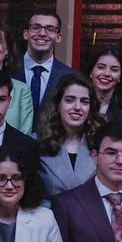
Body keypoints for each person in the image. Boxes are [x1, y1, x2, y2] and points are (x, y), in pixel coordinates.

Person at [35, 73, 100, 201]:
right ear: (58, 105)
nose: (77, 107)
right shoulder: (36, 143)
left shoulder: (101, 144)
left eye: (84, 102)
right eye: (69, 100)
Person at [17, 10, 75, 124]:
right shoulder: (8, 70)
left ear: (58, 37)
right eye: (36, 27)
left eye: (50, 29)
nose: (42, 33)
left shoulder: (69, 77)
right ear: (25, 34)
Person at [82, 45, 122, 129]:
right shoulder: (77, 103)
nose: (107, 73)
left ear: (120, 77)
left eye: (114, 70)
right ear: (91, 72)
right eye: (101, 67)